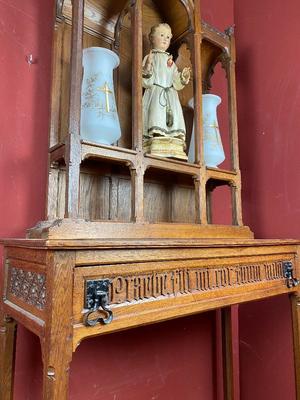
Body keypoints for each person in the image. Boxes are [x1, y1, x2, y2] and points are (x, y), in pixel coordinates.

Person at [142, 23, 191, 160]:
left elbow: (175, 81)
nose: (165, 39)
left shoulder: (170, 61)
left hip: (170, 95)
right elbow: (146, 81)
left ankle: (172, 143)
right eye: (162, 35)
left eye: (168, 37)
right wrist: (148, 67)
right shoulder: (150, 57)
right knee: (156, 116)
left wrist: (183, 77)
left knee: (174, 118)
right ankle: (156, 141)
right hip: (156, 93)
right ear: (152, 38)